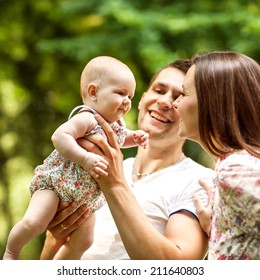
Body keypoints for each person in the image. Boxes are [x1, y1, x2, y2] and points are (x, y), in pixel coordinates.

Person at [40, 59, 215, 260]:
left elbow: (178, 268)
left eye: (179, 96)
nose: (166, 102)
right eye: (159, 90)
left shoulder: (200, 181)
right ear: (140, 99)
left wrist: (113, 184)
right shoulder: (91, 167)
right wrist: (54, 238)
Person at [3, 56, 149, 260]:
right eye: (121, 93)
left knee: (85, 241)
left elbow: (121, 140)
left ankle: (63, 268)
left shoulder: (116, 127)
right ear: (93, 92)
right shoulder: (87, 117)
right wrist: (85, 159)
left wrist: (136, 137)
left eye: (131, 97)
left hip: (84, 198)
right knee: (35, 222)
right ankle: (11, 253)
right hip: (56, 184)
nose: (127, 101)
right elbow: (59, 136)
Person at [173, 50, 260, 260]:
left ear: (211, 102)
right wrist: (219, 228)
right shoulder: (232, 165)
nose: (175, 103)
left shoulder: (235, 169)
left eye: (183, 94)